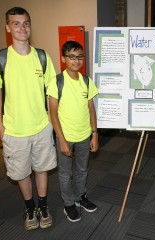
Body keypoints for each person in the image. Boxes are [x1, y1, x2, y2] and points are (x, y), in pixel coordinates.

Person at [0, 7, 57, 230]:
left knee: (42, 168)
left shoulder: (43, 57)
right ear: (8, 28)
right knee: (21, 173)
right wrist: (0, 126)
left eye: (25, 23)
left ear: (30, 25)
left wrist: (50, 122)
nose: (22, 27)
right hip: (14, 131)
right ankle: (29, 208)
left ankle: (43, 206)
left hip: (41, 127)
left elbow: (52, 92)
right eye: (16, 23)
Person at [47, 40, 99, 222]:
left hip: (85, 135)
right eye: (71, 57)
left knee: (82, 170)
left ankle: (80, 197)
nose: (76, 60)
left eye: (79, 57)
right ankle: (68, 203)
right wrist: (61, 140)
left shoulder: (86, 81)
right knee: (65, 173)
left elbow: (91, 109)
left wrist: (94, 134)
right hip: (66, 137)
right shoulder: (57, 82)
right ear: (63, 59)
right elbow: (52, 113)